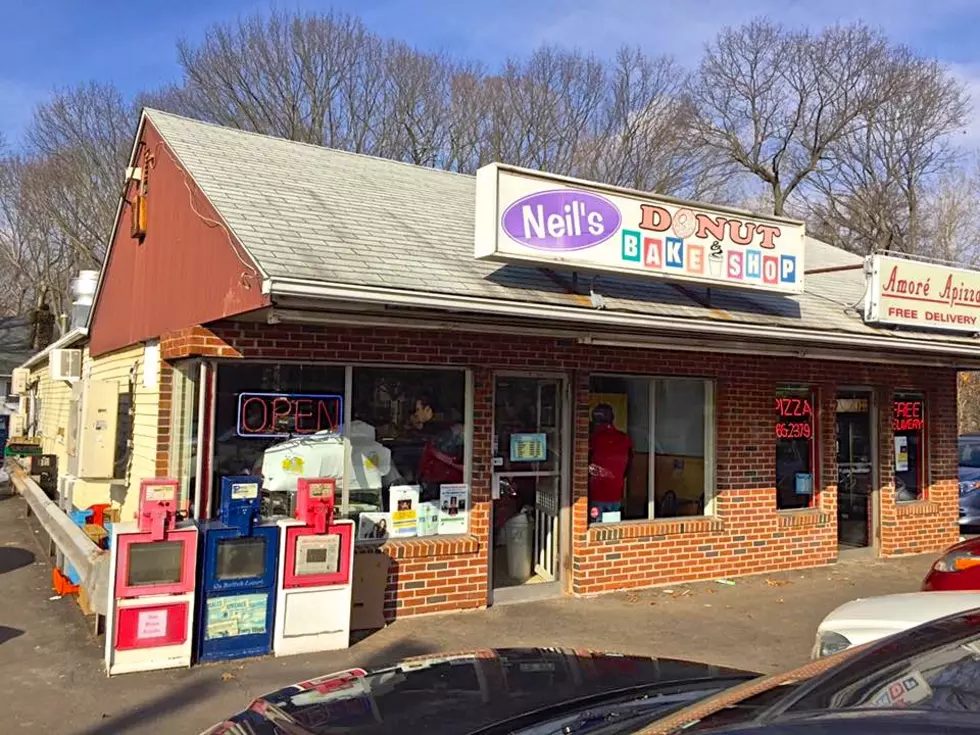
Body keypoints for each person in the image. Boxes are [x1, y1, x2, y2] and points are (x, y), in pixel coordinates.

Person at [588, 403, 633, 523]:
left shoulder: (593, 439)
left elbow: (586, 464)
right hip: (616, 493)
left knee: (595, 530)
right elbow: (629, 465)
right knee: (612, 530)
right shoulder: (624, 438)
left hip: (596, 493)